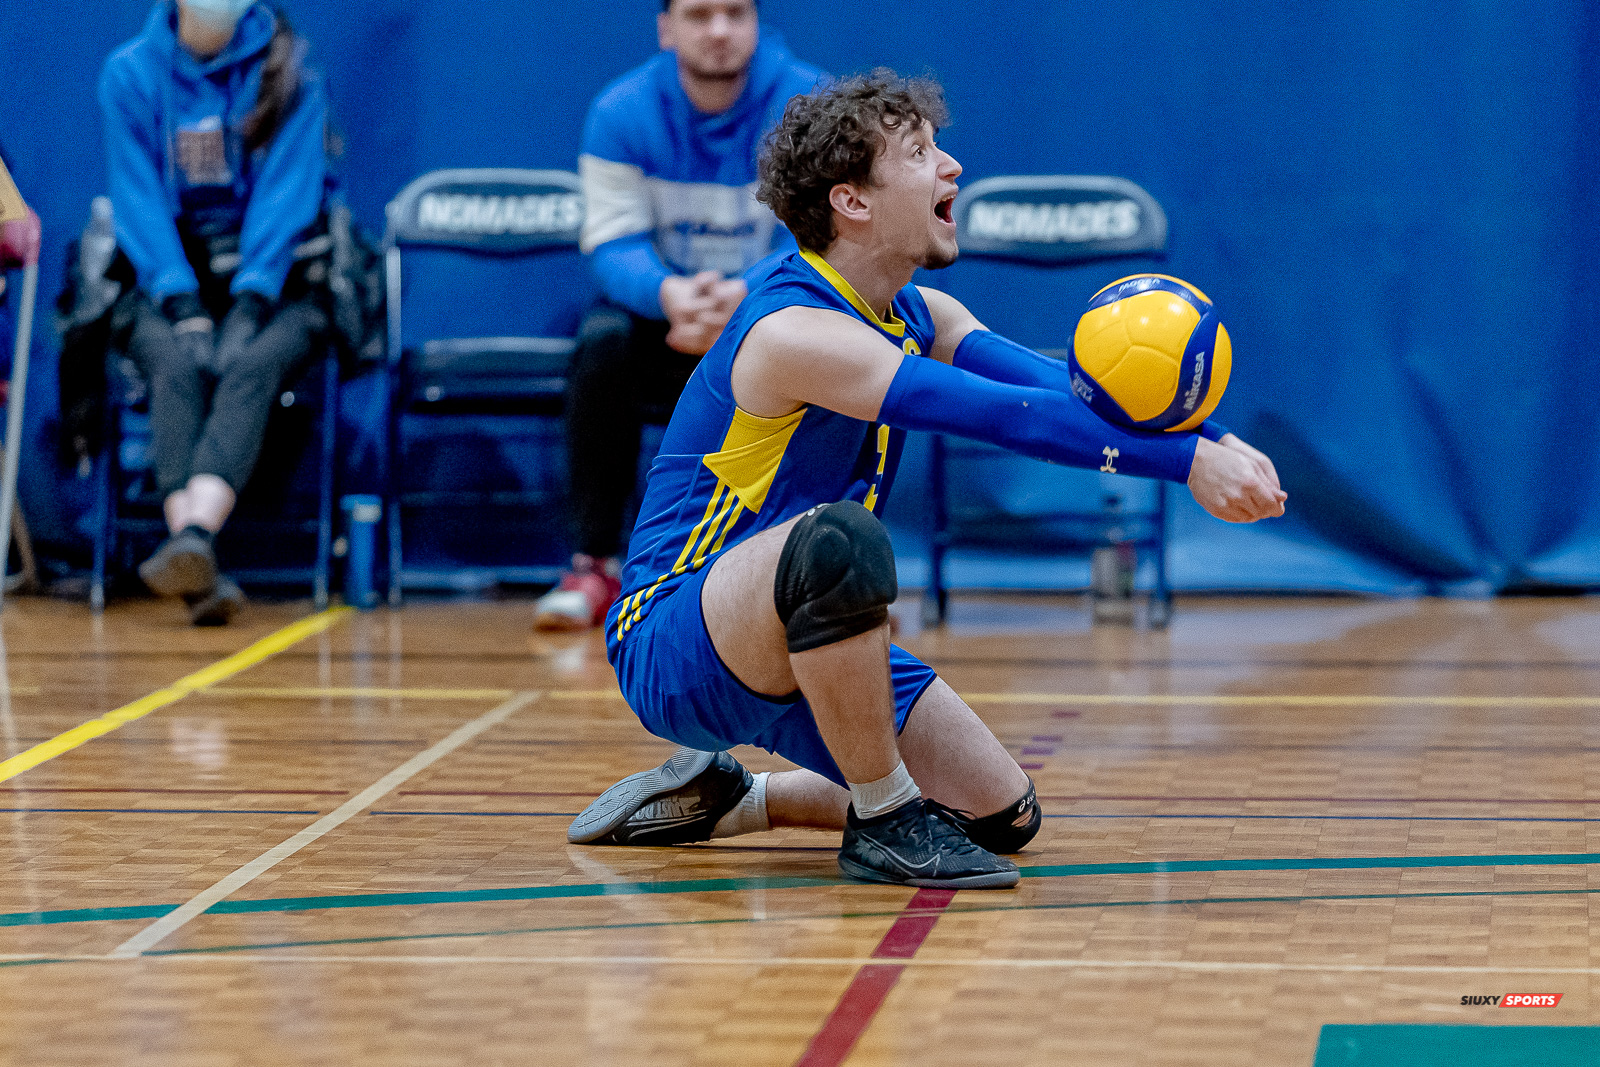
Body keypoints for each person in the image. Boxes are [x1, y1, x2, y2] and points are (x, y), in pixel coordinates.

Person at [567, 72, 1287, 889]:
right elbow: (1006, 418)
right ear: (853, 202)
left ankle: (734, 796)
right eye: (919, 153)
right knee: (838, 543)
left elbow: (1063, 388)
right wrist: (1189, 464)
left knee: (1001, 813)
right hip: (678, 637)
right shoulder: (794, 331)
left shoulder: (920, 312)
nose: (950, 167)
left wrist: (1220, 438)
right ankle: (881, 815)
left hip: (806, 630)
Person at [533, 0, 825, 631]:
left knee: (840, 340)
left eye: (734, 12)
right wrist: (671, 295)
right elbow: (612, 243)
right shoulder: (620, 111)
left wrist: (743, 296)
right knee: (601, 343)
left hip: (769, 314)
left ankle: (823, 571)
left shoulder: (810, 106)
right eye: (699, 14)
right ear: (666, 28)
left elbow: (817, 237)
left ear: (756, 21)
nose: (719, 31)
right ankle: (596, 565)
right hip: (668, 320)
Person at [98, 0, 329, 624]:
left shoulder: (291, 71)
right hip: (168, 274)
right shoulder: (129, 74)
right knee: (172, 363)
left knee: (251, 364)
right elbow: (137, 197)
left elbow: (289, 192)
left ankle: (192, 546)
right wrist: (183, 302)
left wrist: (251, 301)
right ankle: (196, 545)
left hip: (278, 280)